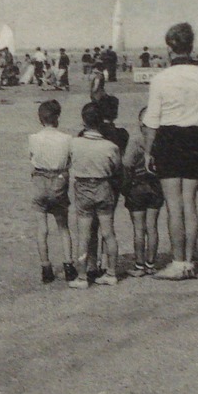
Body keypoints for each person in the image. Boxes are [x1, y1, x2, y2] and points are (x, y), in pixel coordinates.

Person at [140, 22, 198, 280]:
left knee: (174, 206)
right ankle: (189, 262)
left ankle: (177, 261)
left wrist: (148, 152)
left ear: (170, 47)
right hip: (197, 139)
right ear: (191, 45)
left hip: (170, 139)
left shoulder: (162, 78)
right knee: (189, 204)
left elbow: (152, 121)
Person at [67, 100, 124, 287]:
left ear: (83, 121)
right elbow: (116, 168)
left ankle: (82, 276)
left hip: (83, 187)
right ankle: (111, 272)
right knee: (108, 232)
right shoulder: (110, 147)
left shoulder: (74, 143)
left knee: (83, 234)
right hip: (103, 186)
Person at [28, 99, 78, 286]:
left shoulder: (33, 138)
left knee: (42, 228)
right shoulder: (67, 139)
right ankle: (68, 264)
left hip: (40, 180)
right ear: (57, 117)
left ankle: (46, 267)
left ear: (40, 119)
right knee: (63, 226)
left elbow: (32, 158)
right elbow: (70, 161)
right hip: (58, 180)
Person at [120, 107, 164, 275]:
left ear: (140, 122)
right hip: (155, 185)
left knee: (139, 228)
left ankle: (139, 265)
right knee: (152, 226)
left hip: (137, 186)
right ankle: (151, 264)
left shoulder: (136, 140)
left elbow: (127, 164)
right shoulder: (160, 140)